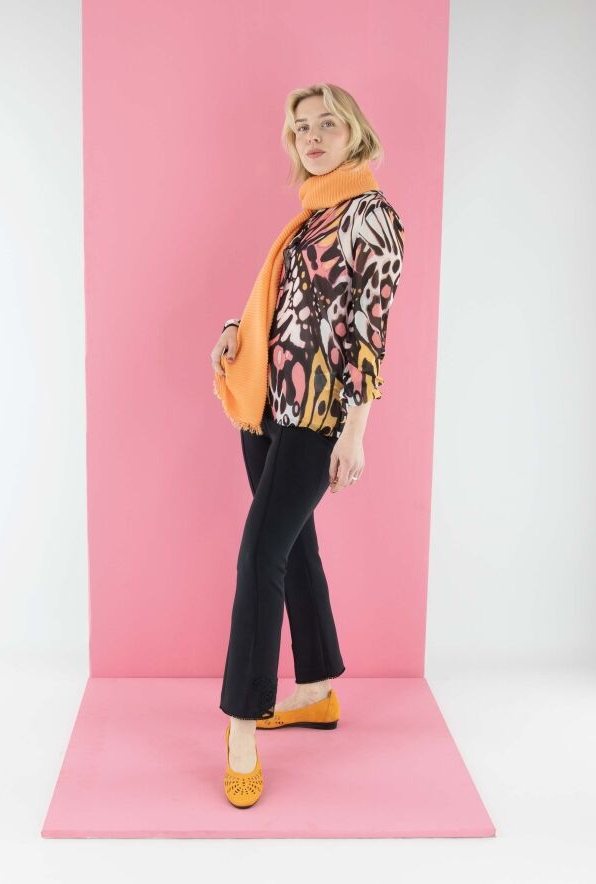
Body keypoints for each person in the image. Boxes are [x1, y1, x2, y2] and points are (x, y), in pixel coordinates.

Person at [210, 82, 405, 807]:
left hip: (316, 417)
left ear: (356, 132)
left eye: (328, 124)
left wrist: (355, 429)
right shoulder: (313, 212)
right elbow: (294, 306)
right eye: (301, 128)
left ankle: (242, 725)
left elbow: (368, 332)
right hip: (268, 407)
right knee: (293, 550)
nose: (313, 137)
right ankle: (318, 689)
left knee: (258, 555)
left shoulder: (371, 215)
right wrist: (236, 329)